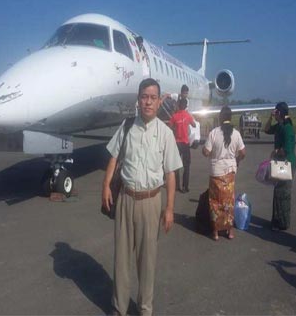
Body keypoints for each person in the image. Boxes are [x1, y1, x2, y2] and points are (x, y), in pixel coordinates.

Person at [101, 78, 182, 316]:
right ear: (138, 100)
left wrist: (169, 209)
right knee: (121, 259)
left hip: (151, 203)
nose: (148, 101)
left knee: (147, 261)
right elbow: (114, 157)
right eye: (144, 96)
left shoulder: (165, 133)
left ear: (159, 102)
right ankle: (119, 307)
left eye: (152, 97)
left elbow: (171, 174)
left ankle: (145, 309)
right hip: (126, 199)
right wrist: (106, 186)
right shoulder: (126, 127)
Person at [201, 106, 247, 240]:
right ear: (230, 118)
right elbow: (243, 152)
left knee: (215, 202)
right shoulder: (236, 134)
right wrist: (237, 160)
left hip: (216, 172)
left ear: (220, 117)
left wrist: (206, 150)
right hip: (230, 172)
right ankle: (230, 230)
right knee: (229, 201)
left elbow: (206, 152)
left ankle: (215, 232)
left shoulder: (214, 133)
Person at [264, 102, 296, 231]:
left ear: (280, 113)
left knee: (282, 192)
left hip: (287, 163)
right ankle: (277, 220)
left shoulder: (287, 127)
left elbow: (287, 149)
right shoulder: (280, 125)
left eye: (276, 112)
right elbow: (266, 130)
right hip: (281, 163)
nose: (274, 113)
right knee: (278, 191)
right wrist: (270, 118)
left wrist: (276, 152)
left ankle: (282, 223)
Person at [169, 98, 196, 193]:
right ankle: (185, 186)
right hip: (185, 143)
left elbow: (170, 126)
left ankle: (177, 185)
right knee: (186, 165)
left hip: (177, 143)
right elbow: (194, 125)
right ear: (186, 106)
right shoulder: (188, 115)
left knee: (176, 165)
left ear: (178, 105)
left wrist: (177, 128)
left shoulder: (174, 116)